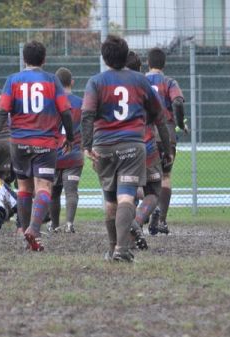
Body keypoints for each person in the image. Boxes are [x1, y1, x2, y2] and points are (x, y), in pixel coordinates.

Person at [81, 35, 171, 262]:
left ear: (104, 57)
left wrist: (86, 145)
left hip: (104, 147)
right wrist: (167, 147)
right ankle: (122, 249)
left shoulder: (96, 82)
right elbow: (159, 115)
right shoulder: (140, 81)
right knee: (126, 199)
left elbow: (87, 115)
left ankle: (113, 249)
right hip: (132, 146)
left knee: (111, 202)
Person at [0, 40, 74, 251]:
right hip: (45, 142)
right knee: (44, 187)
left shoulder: (13, 80)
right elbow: (65, 111)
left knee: (24, 188)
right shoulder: (53, 81)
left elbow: (2, 112)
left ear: (24, 59)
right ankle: (34, 229)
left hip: (19, 143)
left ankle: (26, 232)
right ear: (44, 60)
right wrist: (70, 137)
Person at [144, 47, 187, 235]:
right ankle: (161, 219)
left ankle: (144, 213)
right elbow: (177, 102)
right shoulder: (169, 82)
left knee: (143, 177)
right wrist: (179, 123)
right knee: (166, 176)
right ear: (164, 64)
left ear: (148, 63)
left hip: (144, 135)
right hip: (167, 134)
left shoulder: (140, 81)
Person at [125, 51, 160, 250]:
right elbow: (160, 116)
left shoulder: (109, 86)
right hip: (146, 144)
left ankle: (122, 238)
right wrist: (167, 145)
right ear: (141, 69)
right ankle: (137, 222)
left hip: (119, 146)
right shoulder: (145, 87)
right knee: (153, 191)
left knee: (122, 192)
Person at [48, 67, 83, 233]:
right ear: (72, 82)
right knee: (71, 191)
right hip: (74, 153)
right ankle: (69, 224)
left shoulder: (51, 102)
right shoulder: (81, 103)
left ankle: (54, 225)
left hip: (54, 153)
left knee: (54, 192)